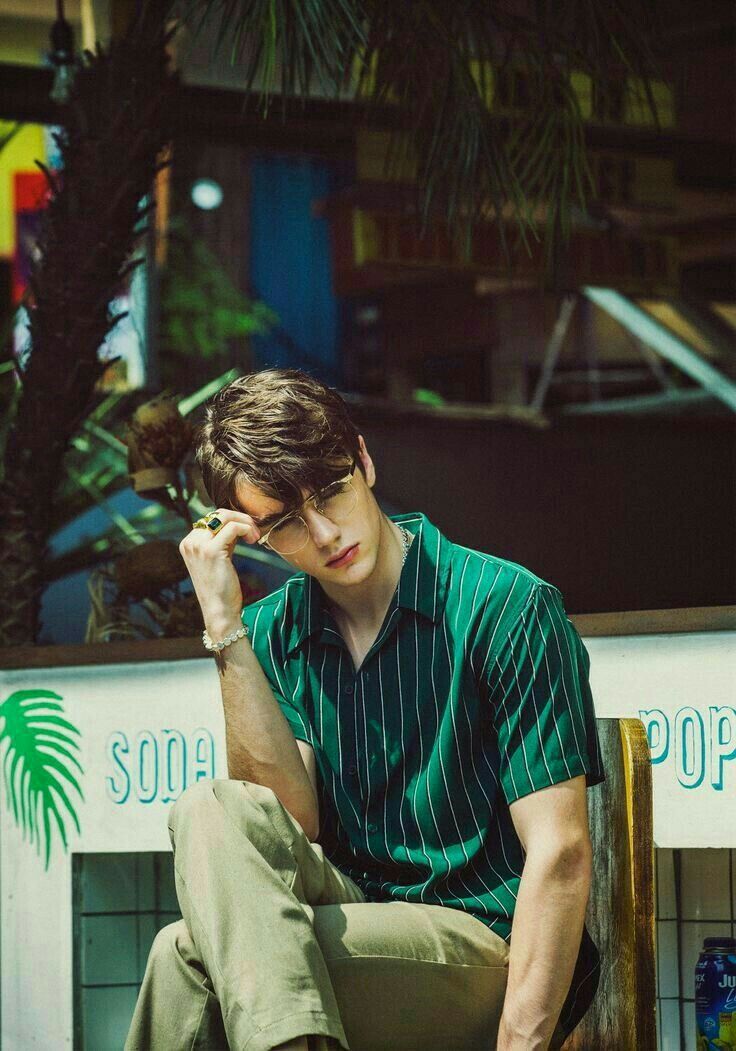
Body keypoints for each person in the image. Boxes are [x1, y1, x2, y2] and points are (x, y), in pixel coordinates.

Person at [125, 368, 605, 1051]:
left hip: (483, 942)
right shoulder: (271, 633)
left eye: (330, 491)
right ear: (250, 533)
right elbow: (284, 823)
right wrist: (224, 623)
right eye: (287, 522)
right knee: (208, 809)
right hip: (355, 919)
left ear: (364, 459)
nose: (323, 533)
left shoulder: (505, 606)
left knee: (187, 958)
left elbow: (559, 853)